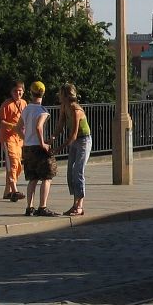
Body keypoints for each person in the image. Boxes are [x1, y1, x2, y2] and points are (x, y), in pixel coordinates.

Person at [18, 81, 58, 216]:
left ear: (31, 92)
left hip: (28, 147)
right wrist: (43, 143)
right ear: (43, 93)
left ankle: (29, 207)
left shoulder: (26, 109)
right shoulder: (42, 111)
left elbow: (18, 128)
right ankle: (42, 206)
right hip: (38, 148)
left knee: (32, 178)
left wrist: (26, 138)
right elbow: (39, 127)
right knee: (47, 177)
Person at [55, 83, 92, 216]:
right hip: (76, 141)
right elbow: (60, 126)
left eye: (61, 94)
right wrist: (52, 138)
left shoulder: (76, 110)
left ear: (66, 95)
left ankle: (79, 206)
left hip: (83, 140)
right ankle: (75, 203)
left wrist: (59, 149)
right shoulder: (64, 107)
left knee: (78, 171)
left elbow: (74, 135)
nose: (59, 96)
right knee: (70, 172)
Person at [0, 81, 27, 203]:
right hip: (8, 138)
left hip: (19, 138)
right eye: (15, 91)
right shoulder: (6, 104)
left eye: (20, 90)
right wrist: (12, 126)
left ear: (23, 91)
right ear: (11, 92)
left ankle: (7, 191)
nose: (18, 93)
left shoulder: (24, 103)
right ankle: (14, 190)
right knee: (13, 162)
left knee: (18, 165)